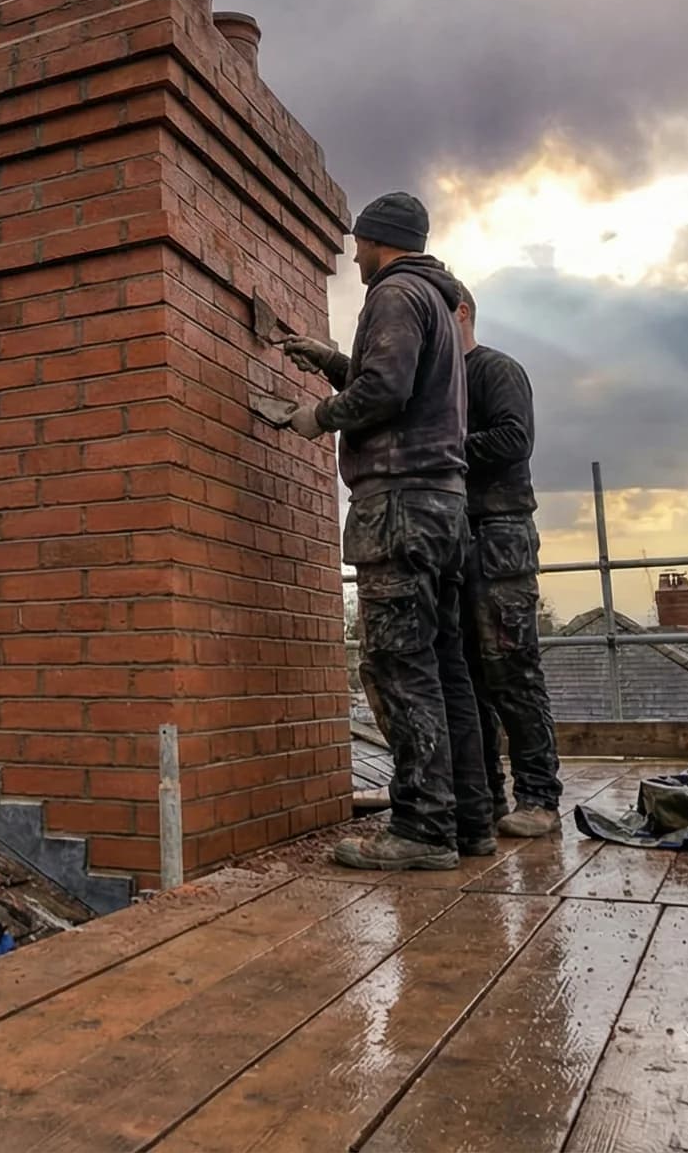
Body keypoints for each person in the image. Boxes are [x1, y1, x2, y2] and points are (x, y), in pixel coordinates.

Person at [277, 191, 494, 870]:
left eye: (360, 242)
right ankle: (469, 821)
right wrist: (334, 361)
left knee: (399, 667)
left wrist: (319, 415)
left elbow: (390, 390)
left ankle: (423, 830)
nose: (354, 252)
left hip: (400, 502)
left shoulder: (395, 294)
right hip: (443, 507)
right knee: (447, 668)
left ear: (381, 241)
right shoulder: (434, 296)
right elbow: (403, 381)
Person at [451, 283, 564, 837]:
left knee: (512, 671)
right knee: (470, 673)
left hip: (501, 535)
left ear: (464, 313)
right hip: (458, 535)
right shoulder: (439, 384)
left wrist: (442, 444)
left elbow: (515, 439)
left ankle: (540, 796)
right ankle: (487, 793)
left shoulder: (496, 371)